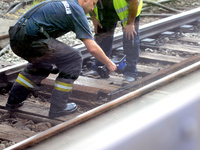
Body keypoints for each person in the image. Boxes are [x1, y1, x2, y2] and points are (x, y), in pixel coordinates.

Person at [5, 0, 117, 118]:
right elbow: (92, 48)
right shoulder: (76, 10)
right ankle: (59, 107)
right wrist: (109, 64)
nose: (93, 8)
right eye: (93, 3)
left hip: (16, 38)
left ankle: (13, 101)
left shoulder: (64, 2)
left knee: (41, 64)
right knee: (73, 58)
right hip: (33, 39)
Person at [87, 0, 143, 86]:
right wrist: (94, 18)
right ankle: (99, 68)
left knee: (130, 39)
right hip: (106, 9)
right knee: (102, 37)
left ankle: (131, 72)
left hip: (129, 8)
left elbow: (134, 2)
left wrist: (130, 23)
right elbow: (86, 1)